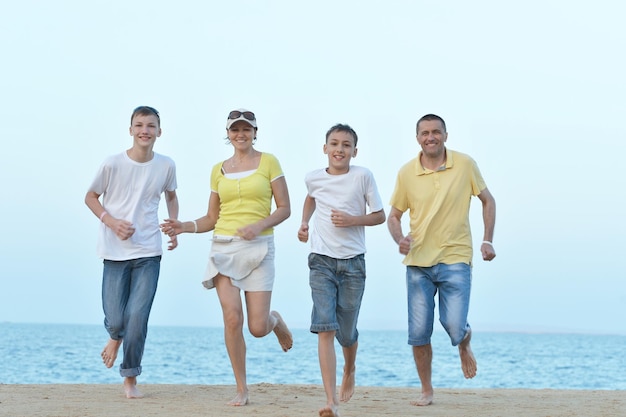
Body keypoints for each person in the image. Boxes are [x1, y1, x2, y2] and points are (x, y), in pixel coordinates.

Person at [160, 108, 293, 406]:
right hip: (223, 247)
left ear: (255, 132)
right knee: (232, 318)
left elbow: (284, 208)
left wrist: (259, 225)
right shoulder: (218, 169)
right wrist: (184, 227)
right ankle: (242, 388)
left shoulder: (269, 162)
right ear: (228, 134)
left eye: (246, 129)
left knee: (257, 328)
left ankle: (275, 321)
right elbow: (211, 217)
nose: (241, 134)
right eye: (235, 129)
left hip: (260, 247)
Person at [387, 114, 496, 407]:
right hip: (418, 263)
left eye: (436, 132)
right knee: (419, 332)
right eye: (425, 133)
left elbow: (488, 200)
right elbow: (394, 215)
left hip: (455, 257)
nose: (430, 137)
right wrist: (399, 239)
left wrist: (487, 240)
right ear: (418, 137)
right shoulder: (407, 173)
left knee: (453, 324)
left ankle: (464, 340)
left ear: (445, 135)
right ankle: (426, 390)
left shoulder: (465, 164)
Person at [84, 105, 179, 399]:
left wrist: (174, 225)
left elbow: (172, 196)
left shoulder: (166, 165)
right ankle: (114, 336)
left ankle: (130, 377)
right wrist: (110, 222)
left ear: (159, 132)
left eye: (151, 126)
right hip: (114, 253)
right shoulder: (112, 164)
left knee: (137, 317)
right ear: (130, 130)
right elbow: (90, 197)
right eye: (139, 125)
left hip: (149, 251)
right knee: (116, 319)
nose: (145, 131)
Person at [298, 124, 386, 417]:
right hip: (321, 260)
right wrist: (304, 223)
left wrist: (352, 220)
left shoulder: (363, 176)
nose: (339, 149)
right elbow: (311, 197)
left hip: (353, 264)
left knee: (346, 333)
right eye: (334, 144)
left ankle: (350, 367)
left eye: (346, 145)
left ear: (354, 151)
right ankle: (330, 401)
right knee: (325, 327)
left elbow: (380, 215)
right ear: (325, 148)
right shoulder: (313, 178)